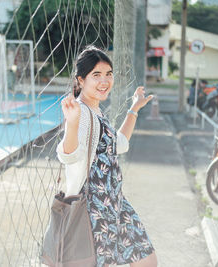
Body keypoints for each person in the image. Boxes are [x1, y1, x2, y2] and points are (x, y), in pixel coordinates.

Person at [56, 45, 157, 267]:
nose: (105, 81)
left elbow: (118, 144)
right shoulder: (81, 113)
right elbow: (69, 155)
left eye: (109, 74)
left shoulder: (96, 112)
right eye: (97, 75)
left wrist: (134, 108)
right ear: (81, 80)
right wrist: (71, 124)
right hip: (94, 208)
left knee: (146, 260)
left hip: (116, 203)